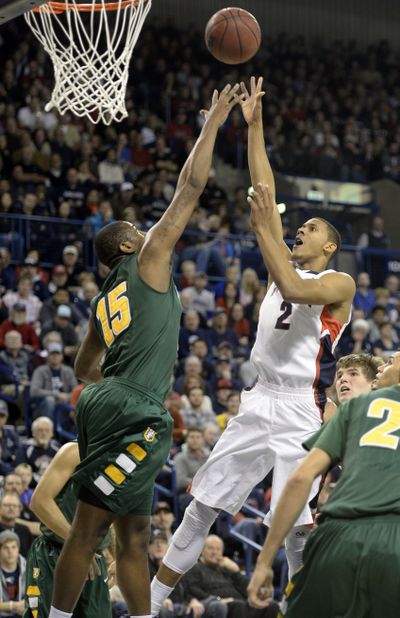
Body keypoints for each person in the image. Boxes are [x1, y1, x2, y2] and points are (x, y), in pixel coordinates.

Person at [151, 77, 355, 616]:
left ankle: (302, 609)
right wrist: (255, 124)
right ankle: (148, 604)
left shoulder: (338, 283)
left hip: (300, 408)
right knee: (200, 507)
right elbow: (263, 189)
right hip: (258, 397)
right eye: (298, 226)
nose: (299, 231)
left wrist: (265, 227)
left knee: (295, 529)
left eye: (308, 228)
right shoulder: (279, 262)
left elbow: (292, 285)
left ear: (328, 245)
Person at [47, 83, 240, 618]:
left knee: (134, 534)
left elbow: (85, 368)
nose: (147, 230)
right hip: (136, 410)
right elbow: (190, 186)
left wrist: (119, 367)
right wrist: (213, 124)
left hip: (106, 401)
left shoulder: (103, 300)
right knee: (89, 530)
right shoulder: (148, 259)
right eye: (138, 228)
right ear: (129, 246)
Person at [247, 352, 400, 618]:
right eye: (340, 376)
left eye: (392, 362)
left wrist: (264, 560)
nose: (382, 367)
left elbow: (299, 479)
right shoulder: (343, 409)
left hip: (339, 536)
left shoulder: (353, 409)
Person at [24, 442, 111, 618]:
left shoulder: (119, 457)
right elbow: (39, 501)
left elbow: (112, 511)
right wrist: (79, 546)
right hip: (54, 552)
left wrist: (115, 554)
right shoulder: (75, 451)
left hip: (94, 557)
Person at [0, 530, 26, 617]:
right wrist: (14, 606)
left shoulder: (28, 568)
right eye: (5, 548)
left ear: (18, 549)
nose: (10, 551)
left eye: (13, 547)